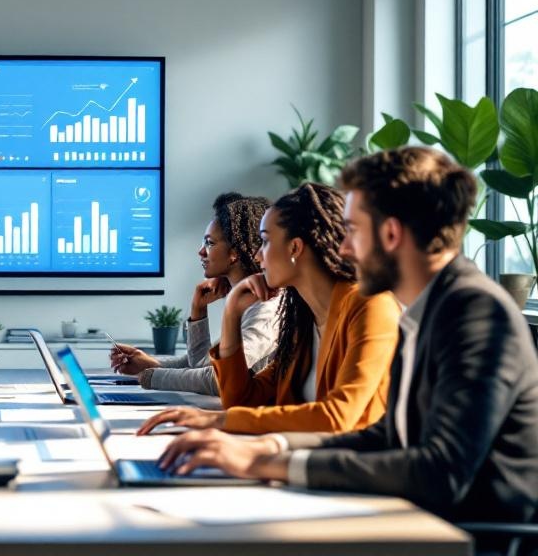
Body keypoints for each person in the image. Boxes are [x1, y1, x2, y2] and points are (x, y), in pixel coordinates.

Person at [157, 146, 538, 527]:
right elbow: (387, 436)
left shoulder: (475, 313)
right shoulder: (427, 309)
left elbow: (441, 471)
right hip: (417, 520)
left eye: (352, 231)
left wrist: (265, 460)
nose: (341, 247)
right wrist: (271, 448)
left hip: (472, 537)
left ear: (390, 233)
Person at [138, 183, 400, 435]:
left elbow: (338, 416)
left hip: (347, 471)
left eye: (265, 242)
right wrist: (231, 312)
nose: (257, 256)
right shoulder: (302, 321)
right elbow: (242, 398)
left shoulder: (370, 306)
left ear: (294, 248)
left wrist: (219, 421)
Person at [110, 193, 280, 395]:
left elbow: (219, 378)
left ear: (234, 253)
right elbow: (204, 365)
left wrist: (150, 375)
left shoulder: (266, 307)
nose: (201, 251)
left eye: (210, 243)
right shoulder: (247, 303)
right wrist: (198, 310)